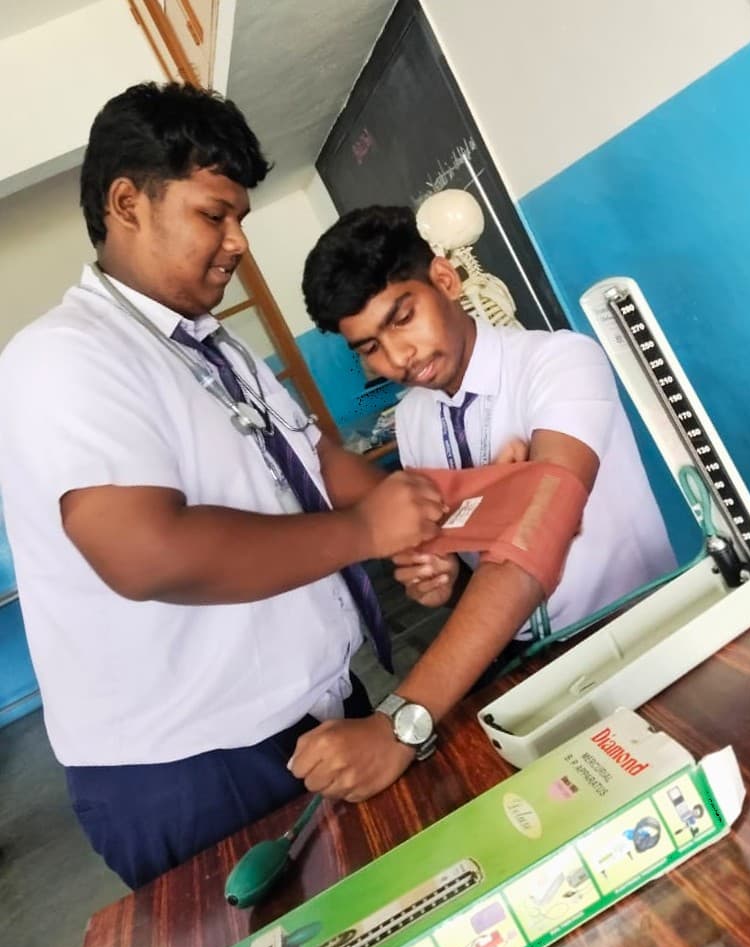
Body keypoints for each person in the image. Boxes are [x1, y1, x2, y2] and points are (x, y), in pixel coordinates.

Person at [0, 87, 447, 889]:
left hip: (314, 713)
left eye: (241, 216)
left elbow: (314, 461)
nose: (239, 242)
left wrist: (419, 513)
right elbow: (147, 553)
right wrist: (366, 533)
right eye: (216, 214)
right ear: (127, 202)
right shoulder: (63, 359)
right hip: (194, 766)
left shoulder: (214, 347)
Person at [295, 204, 676, 798]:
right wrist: (439, 568)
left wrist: (403, 722)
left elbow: (539, 530)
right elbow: (460, 539)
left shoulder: (559, 362)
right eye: (369, 346)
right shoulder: (416, 416)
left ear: (444, 281)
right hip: (524, 659)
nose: (396, 358)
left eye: (403, 317)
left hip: (634, 628)